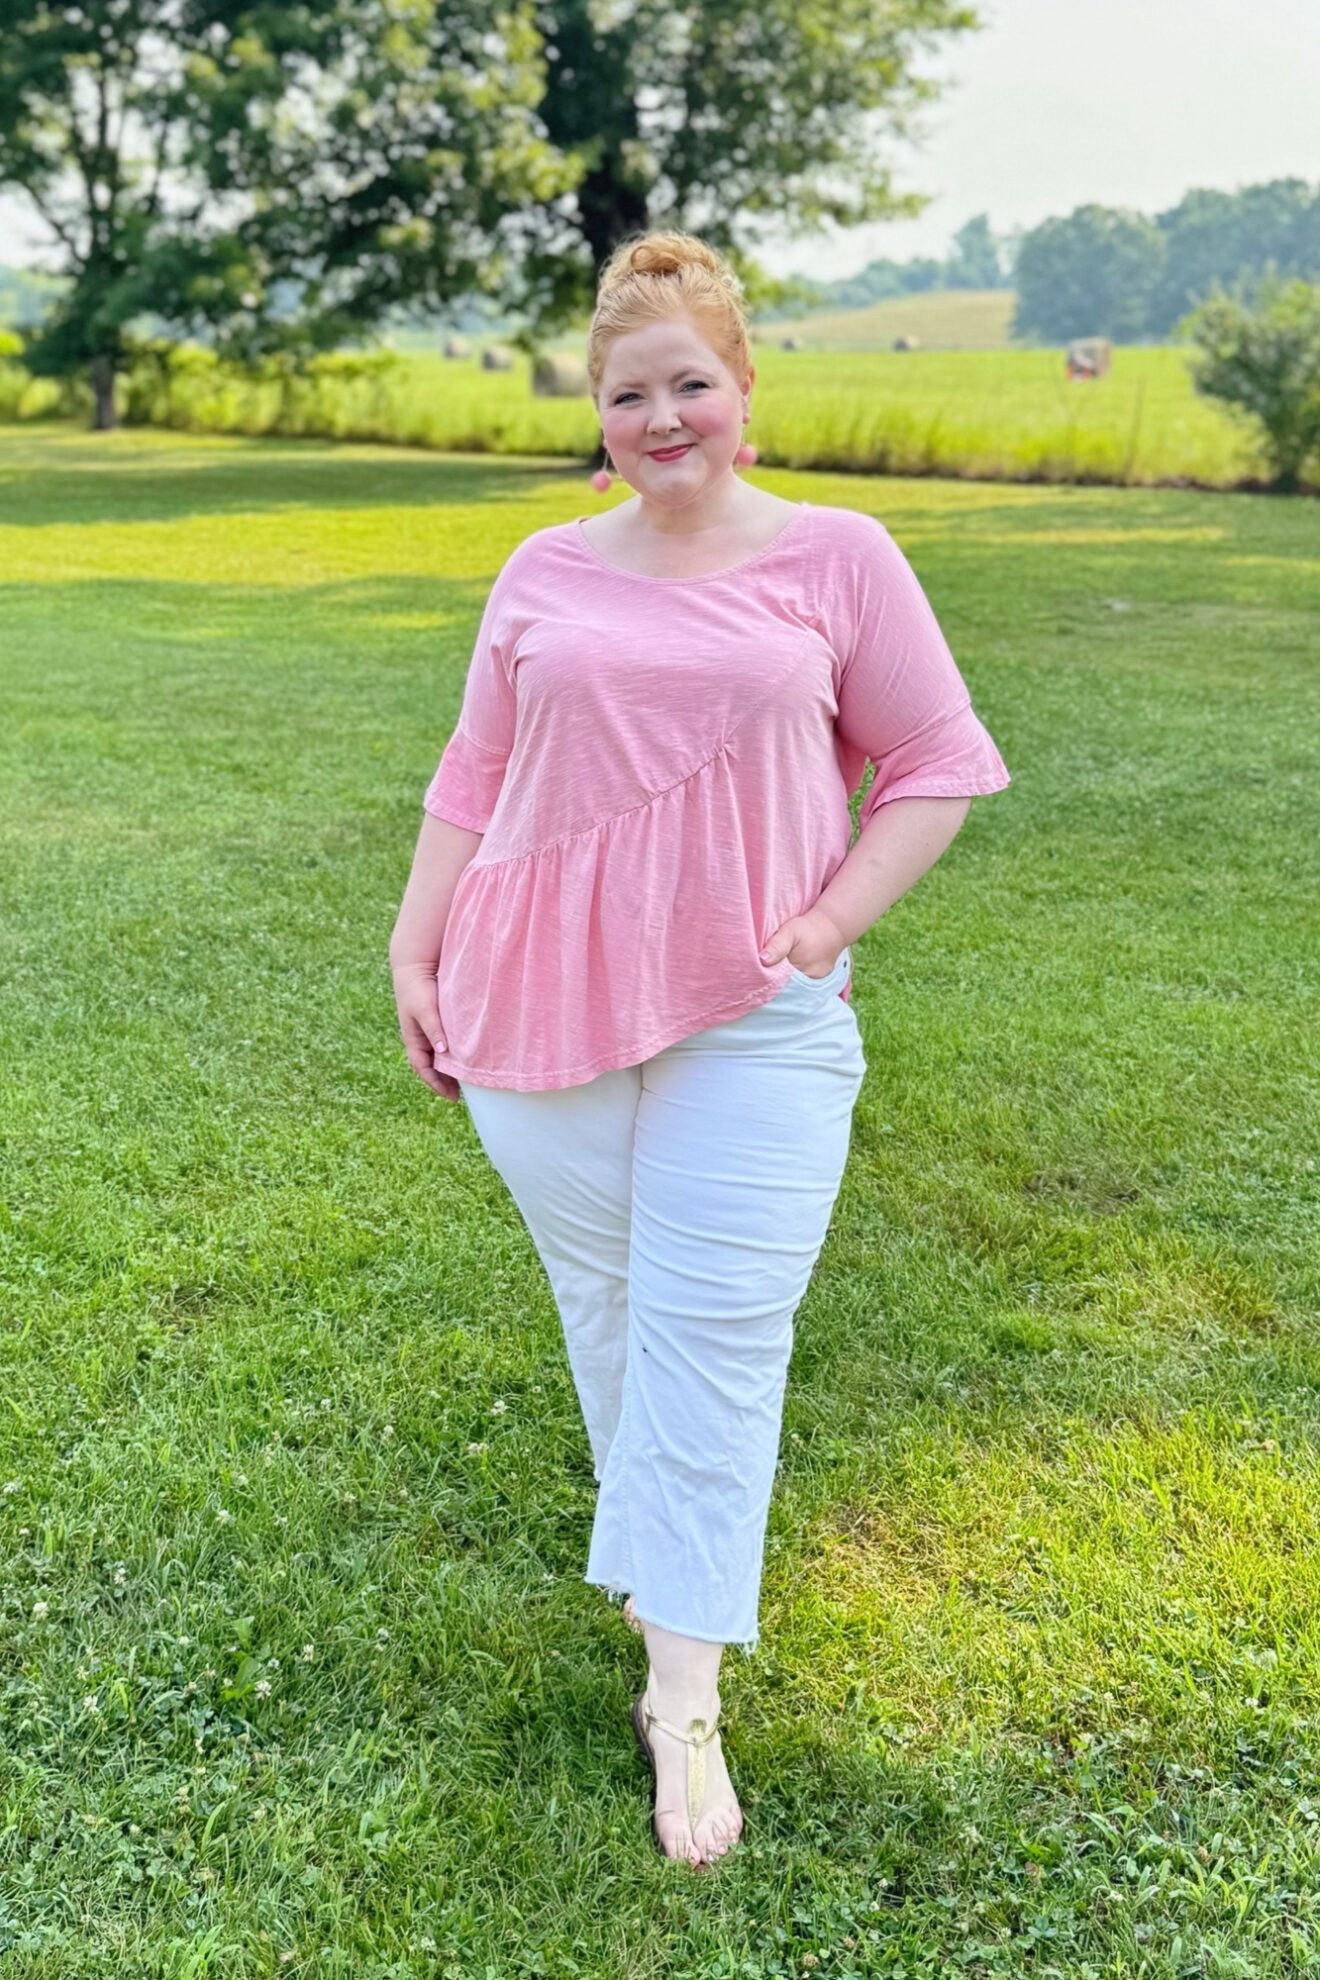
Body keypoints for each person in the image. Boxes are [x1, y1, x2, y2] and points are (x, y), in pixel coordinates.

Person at [389, 230, 1011, 1869]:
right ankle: (677, 1612)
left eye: (692, 384)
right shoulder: (540, 569)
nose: (662, 418)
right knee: (617, 1323)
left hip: (756, 1016)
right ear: (595, 410)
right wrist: (413, 940)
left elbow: (937, 761)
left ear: (744, 390)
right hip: (530, 1006)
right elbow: (472, 773)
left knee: (716, 1334)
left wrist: (822, 930)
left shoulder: (840, 556)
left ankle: (684, 1708)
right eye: (627, 394)